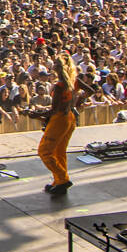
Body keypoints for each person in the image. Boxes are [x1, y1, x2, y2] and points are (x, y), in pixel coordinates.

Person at [36, 57, 82, 196]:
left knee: (44, 151)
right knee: (59, 151)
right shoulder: (72, 81)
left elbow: (54, 110)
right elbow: (90, 90)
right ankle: (58, 180)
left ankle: (62, 178)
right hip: (69, 118)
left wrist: (35, 114)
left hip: (60, 120)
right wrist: (77, 104)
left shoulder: (59, 86)